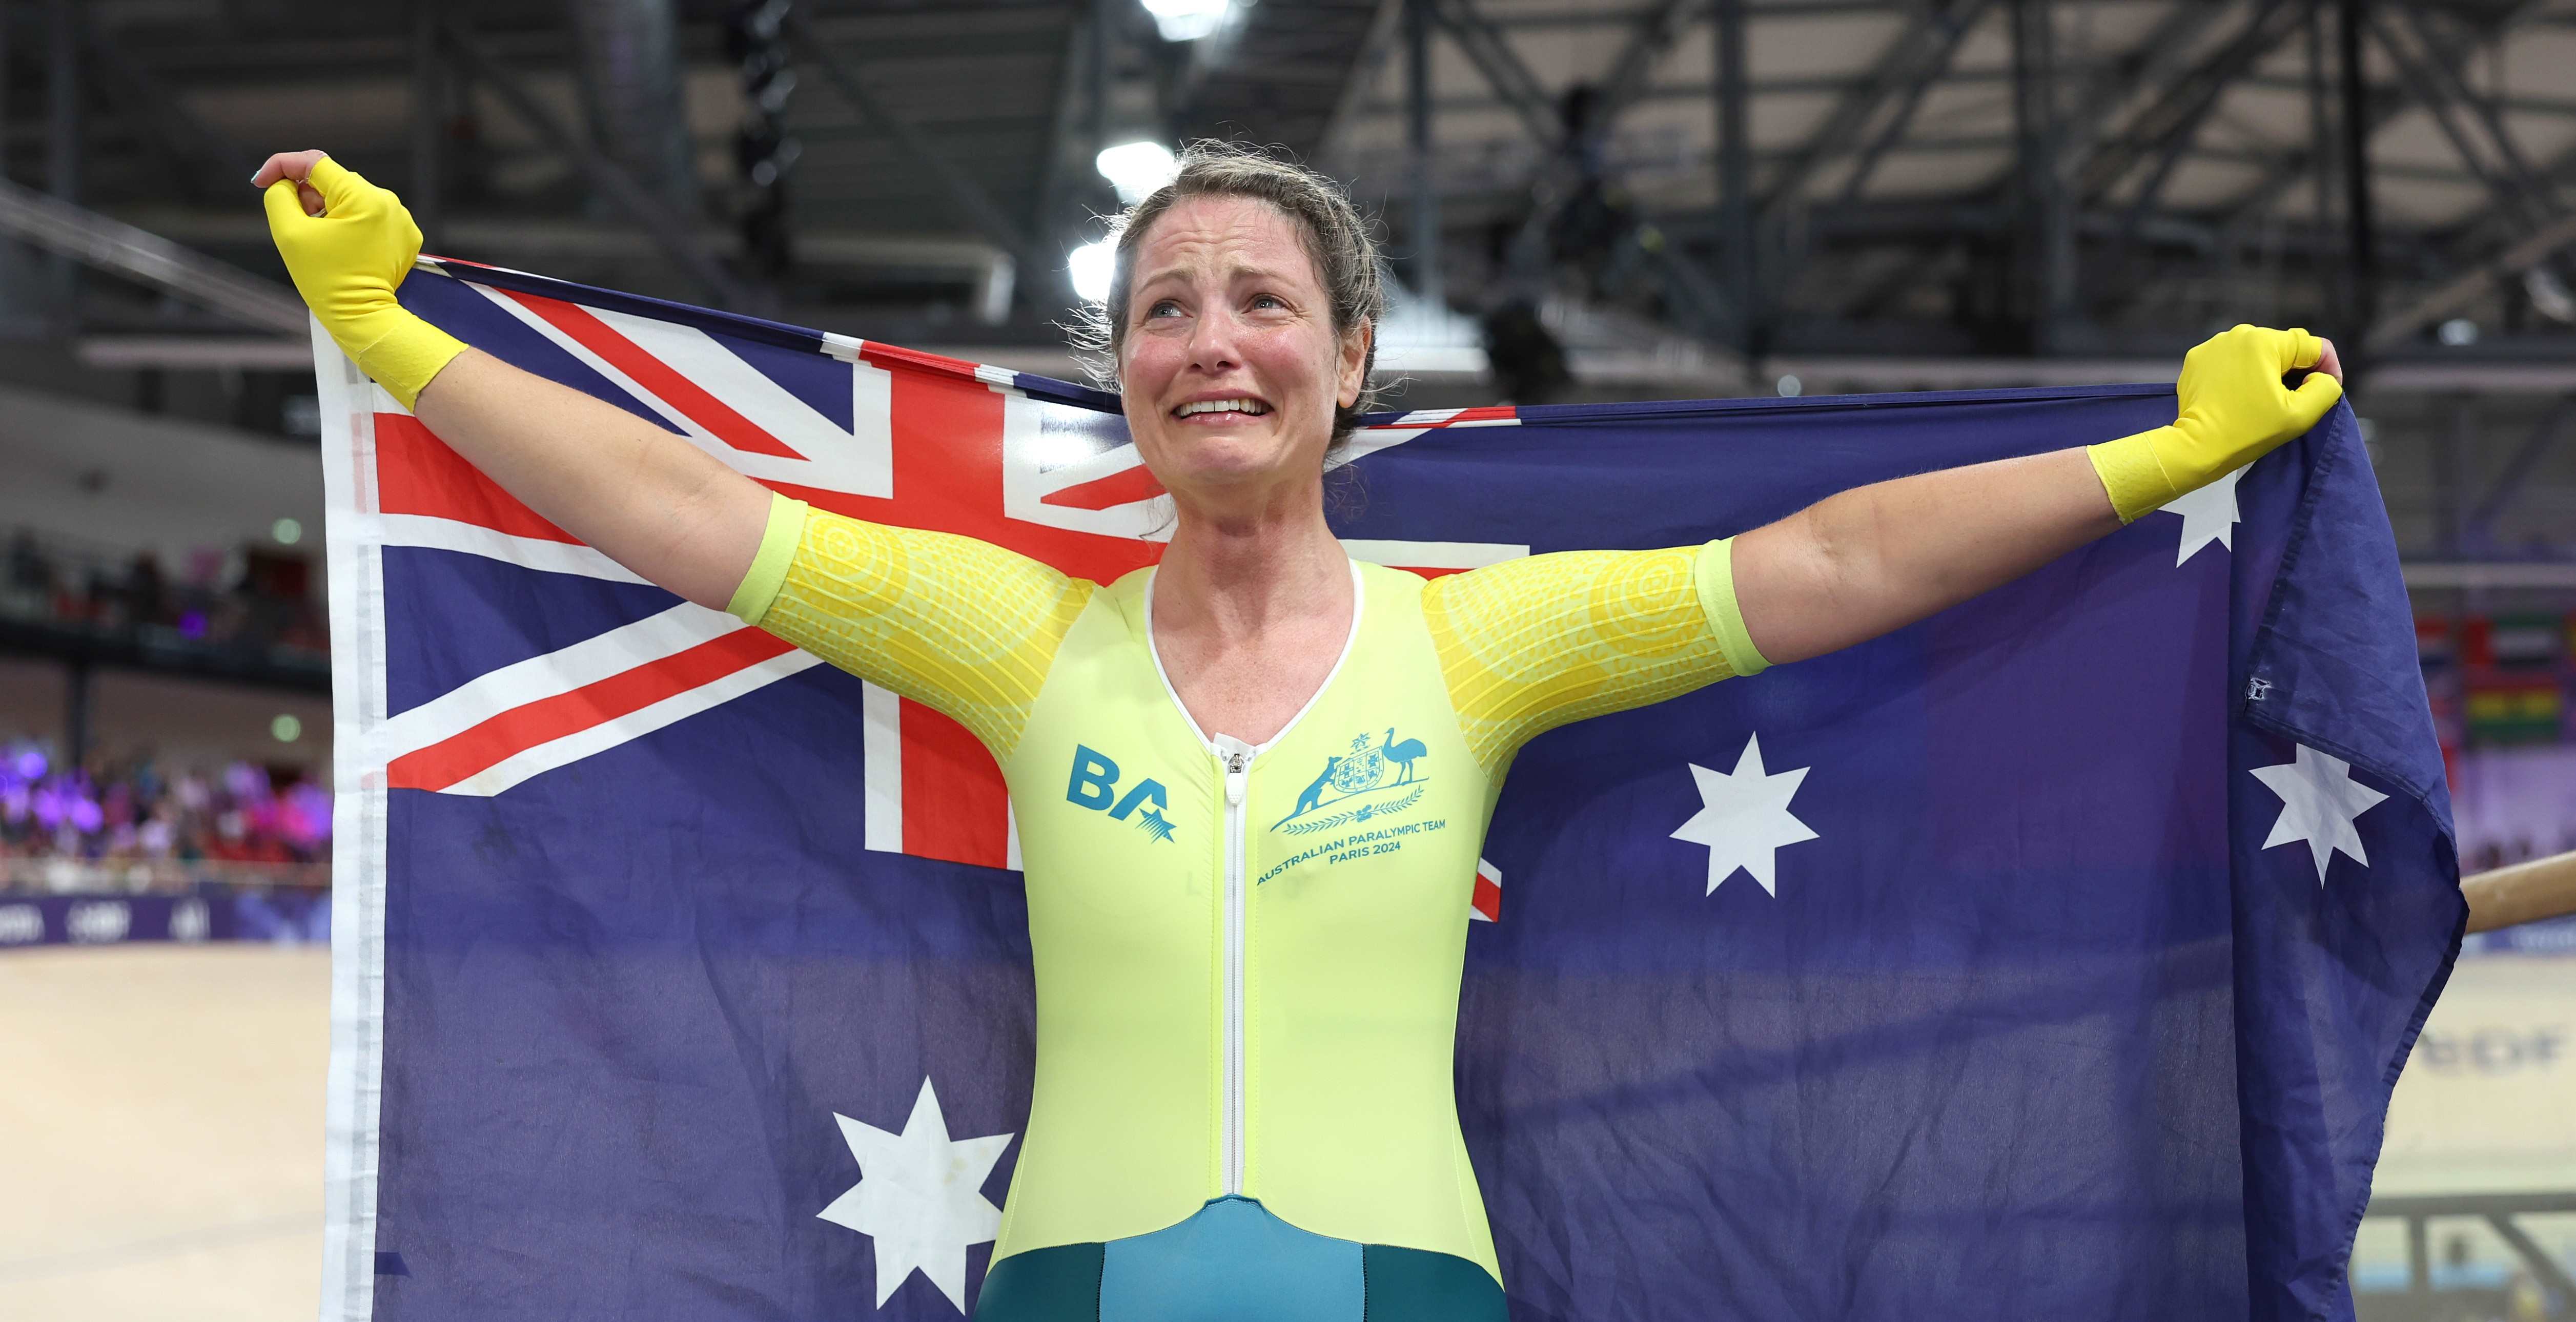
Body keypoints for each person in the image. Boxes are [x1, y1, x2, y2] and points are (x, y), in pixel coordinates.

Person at [255, 142, 2343, 1320]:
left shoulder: (1483, 648)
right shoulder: (1017, 637)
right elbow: (695, 515)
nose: (1207, 340)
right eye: (1164, 307)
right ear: (1129, 377)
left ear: (1349, 363)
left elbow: (1835, 561)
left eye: (1258, 300)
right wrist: (393, 329)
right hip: (1071, 1288)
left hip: (1407, 1290)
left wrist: (2169, 453)